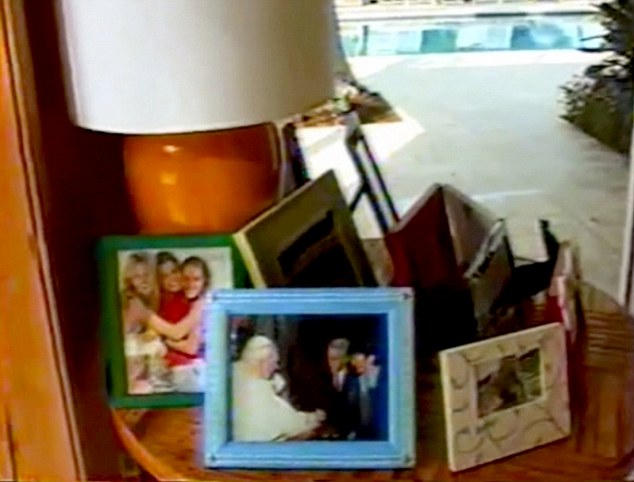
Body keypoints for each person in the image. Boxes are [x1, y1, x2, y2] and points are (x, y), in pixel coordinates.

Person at [232, 335, 325, 442]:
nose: (276, 367)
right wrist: (314, 418)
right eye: (275, 362)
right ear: (263, 361)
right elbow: (291, 425)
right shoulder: (258, 390)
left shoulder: (234, 374)